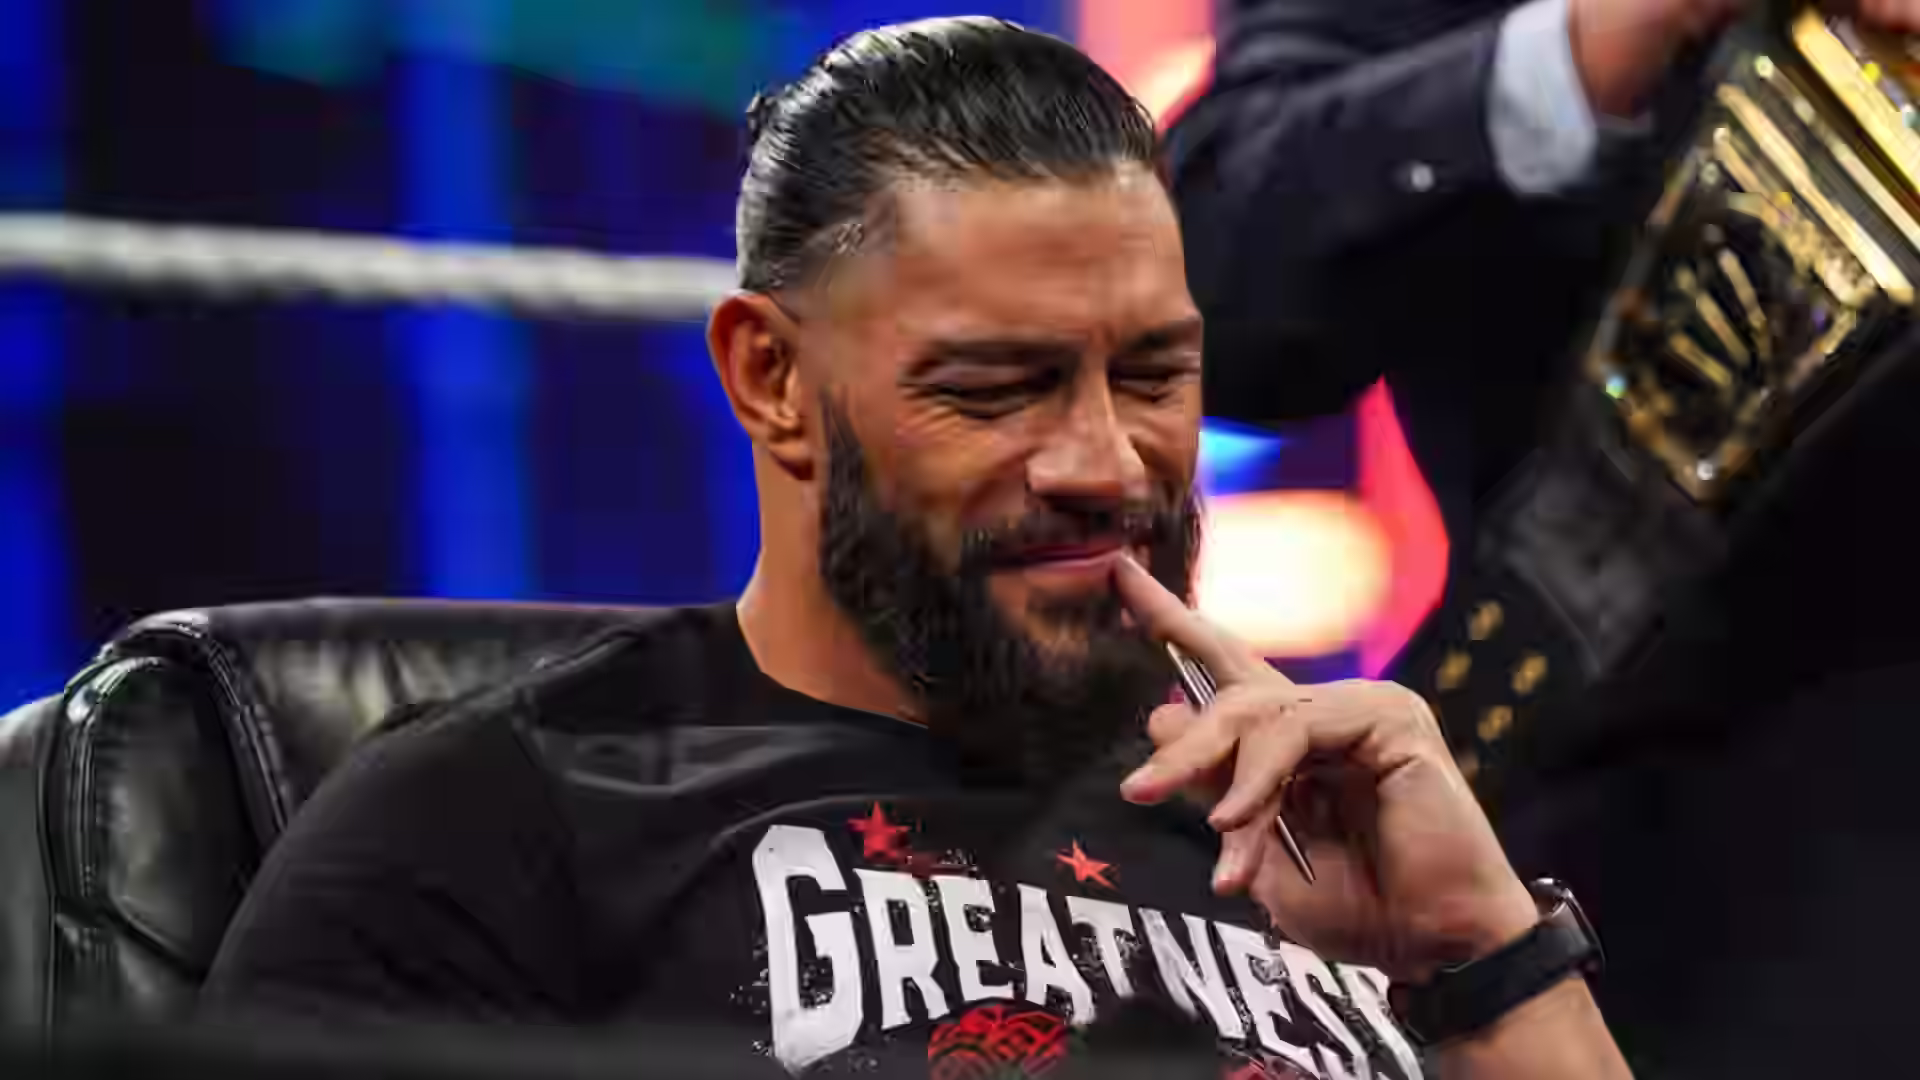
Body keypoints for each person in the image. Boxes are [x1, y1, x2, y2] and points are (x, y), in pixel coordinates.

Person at [203, 18, 1629, 1079]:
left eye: (1153, 377)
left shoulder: (1312, 828)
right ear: (772, 379)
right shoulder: (502, 820)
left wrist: (1481, 960)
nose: (1105, 464)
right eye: (998, 388)